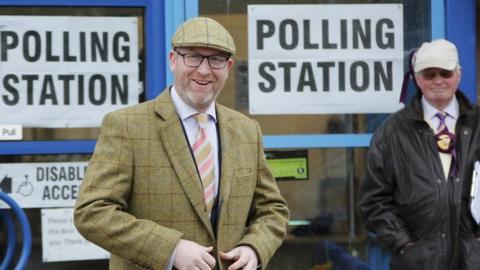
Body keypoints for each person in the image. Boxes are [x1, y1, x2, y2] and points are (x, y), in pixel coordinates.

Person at [74, 17, 289, 270]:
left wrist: (254, 248)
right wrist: (170, 250)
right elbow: (92, 212)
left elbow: (272, 209)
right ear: (173, 60)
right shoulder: (126, 126)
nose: (204, 70)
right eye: (193, 57)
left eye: (216, 59)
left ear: (228, 66)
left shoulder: (246, 130)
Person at [359, 39, 480, 270]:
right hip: (418, 263)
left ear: (459, 74)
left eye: (445, 72)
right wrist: (404, 244)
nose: (438, 80)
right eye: (429, 73)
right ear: (416, 77)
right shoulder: (392, 132)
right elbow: (374, 201)